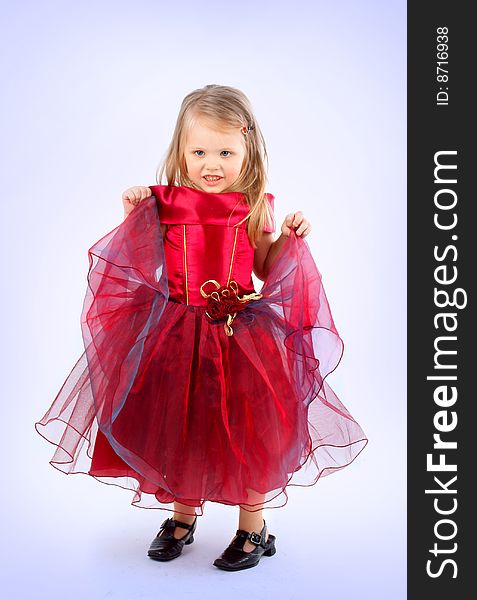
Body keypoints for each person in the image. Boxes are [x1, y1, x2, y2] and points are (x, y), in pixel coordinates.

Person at [34, 84, 368, 572]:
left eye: (226, 151)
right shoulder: (165, 203)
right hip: (174, 333)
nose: (213, 163)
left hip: (240, 337)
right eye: (200, 151)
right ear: (181, 152)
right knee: (182, 423)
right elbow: (136, 257)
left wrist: (291, 241)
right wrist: (133, 212)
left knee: (249, 430)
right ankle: (182, 516)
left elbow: (267, 267)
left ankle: (254, 526)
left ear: (248, 149)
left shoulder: (254, 206)